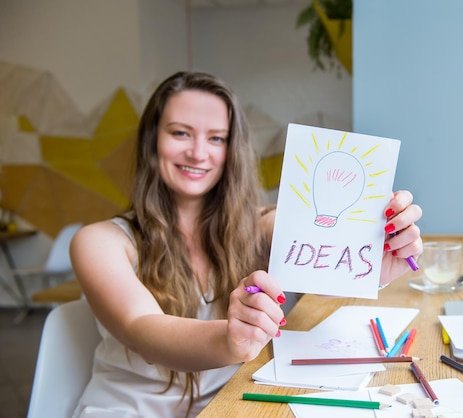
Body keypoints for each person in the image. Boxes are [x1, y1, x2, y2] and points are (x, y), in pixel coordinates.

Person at [70, 71, 423, 418]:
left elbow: (313, 245)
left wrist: (372, 264)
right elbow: (142, 329)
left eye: (216, 139)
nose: (197, 152)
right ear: (152, 140)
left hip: (231, 407)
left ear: (231, 149)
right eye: (180, 133)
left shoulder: (260, 224)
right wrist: (230, 338)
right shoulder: (100, 242)